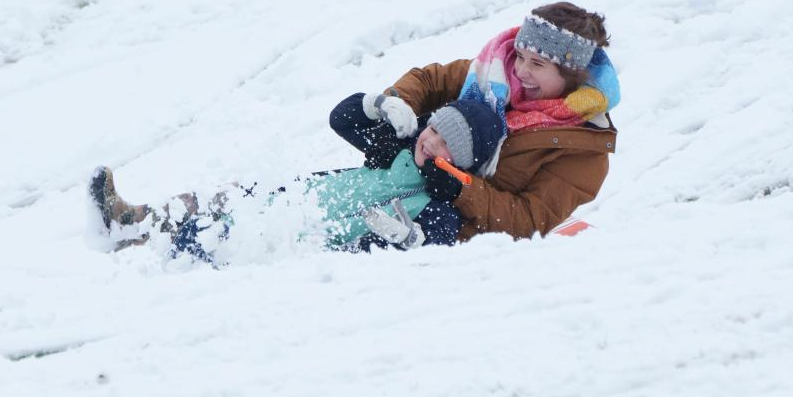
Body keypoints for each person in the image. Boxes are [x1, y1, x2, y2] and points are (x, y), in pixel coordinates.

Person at [89, 95, 505, 262]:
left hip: (291, 234)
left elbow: (435, 244)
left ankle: (147, 285)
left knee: (197, 240)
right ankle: (130, 223)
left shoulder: (438, 207)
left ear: (462, 164)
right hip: (287, 197)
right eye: (433, 129)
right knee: (208, 201)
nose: (430, 142)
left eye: (446, 143)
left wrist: (403, 238)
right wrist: (377, 105)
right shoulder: (398, 148)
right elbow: (341, 119)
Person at [365, 1, 620, 241]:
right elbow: (431, 80)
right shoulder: (494, 77)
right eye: (520, 56)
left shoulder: (584, 150)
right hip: (405, 182)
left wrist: (461, 190)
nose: (520, 72)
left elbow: (528, 219)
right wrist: (395, 110)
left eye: (537, 64)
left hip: (448, 229)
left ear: (571, 76)